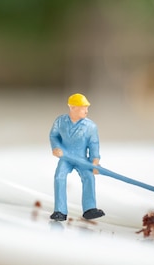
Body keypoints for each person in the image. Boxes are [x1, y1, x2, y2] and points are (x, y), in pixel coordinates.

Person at [49, 93, 105, 221]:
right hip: (65, 157)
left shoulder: (90, 126)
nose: (86, 110)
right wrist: (56, 148)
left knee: (89, 177)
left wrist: (95, 161)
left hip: (82, 159)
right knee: (59, 177)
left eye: (87, 107)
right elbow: (53, 136)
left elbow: (94, 144)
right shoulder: (60, 121)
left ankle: (90, 209)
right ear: (73, 107)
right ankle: (60, 211)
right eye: (83, 107)